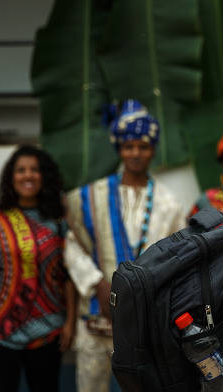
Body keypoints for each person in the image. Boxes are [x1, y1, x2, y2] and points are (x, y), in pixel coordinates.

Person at [64, 99, 186, 392]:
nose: (135, 153)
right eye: (128, 146)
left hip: (146, 321)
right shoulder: (90, 195)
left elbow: (178, 256)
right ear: (118, 148)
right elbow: (72, 244)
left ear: (153, 149)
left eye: (143, 146)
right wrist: (97, 284)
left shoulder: (169, 204)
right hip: (96, 318)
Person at [0, 145, 77, 392]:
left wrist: (70, 323)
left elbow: (68, 274)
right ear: (11, 177)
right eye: (20, 170)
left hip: (48, 328)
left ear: (44, 176)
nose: (28, 175)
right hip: (0, 328)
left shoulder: (58, 220)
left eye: (34, 170)